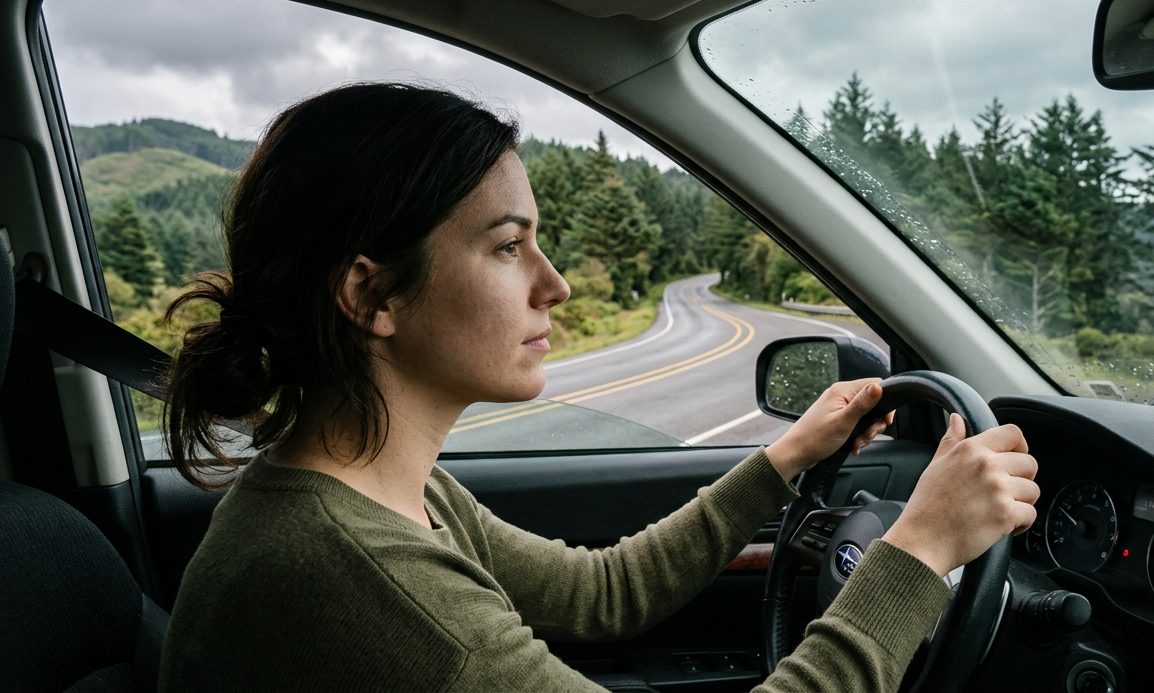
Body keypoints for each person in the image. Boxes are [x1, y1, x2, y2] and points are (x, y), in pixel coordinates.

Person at [158, 83, 1039, 692]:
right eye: (508, 246)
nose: (556, 284)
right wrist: (919, 553)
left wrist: (785, 457)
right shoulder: (350, 578)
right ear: (372, 294)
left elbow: (601, 592)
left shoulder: (393, 490)